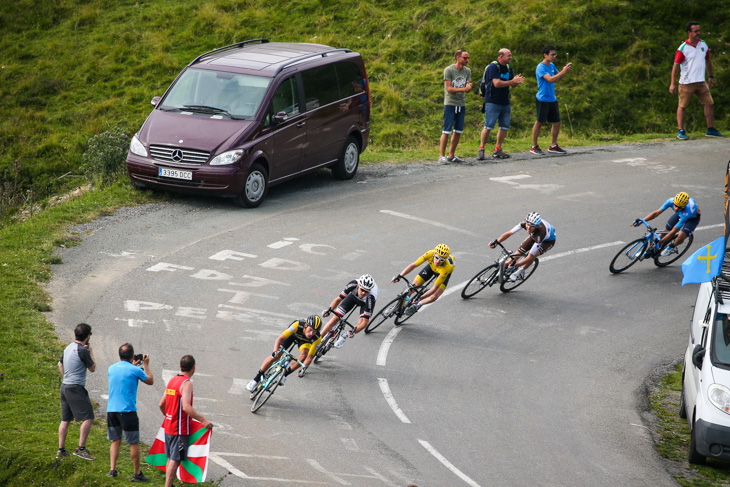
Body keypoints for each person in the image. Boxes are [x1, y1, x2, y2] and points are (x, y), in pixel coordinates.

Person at [158, 355, 212, 487]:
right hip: (179, 428)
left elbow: (161, 404)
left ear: (180, 366)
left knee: (171, 457)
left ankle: (169, 484)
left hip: (169, 426)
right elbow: (186, 407)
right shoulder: (186, 384)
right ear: (193, 367)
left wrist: (168, 416)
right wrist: (203, 420)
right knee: (175, 459)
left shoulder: (172, 380)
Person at [106, 343, 154, 481]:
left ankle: (112, 470)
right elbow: (150, 381)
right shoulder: (135, 370)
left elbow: (123, 373)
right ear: (133, 355)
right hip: (127, 411)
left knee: (115, 440)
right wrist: (146, 365)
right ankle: (137, 473)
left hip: (112, 410)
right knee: (133, 442)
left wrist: (132, 364)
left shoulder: (111, 368)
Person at [670, 22, 724, 139]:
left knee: (709, 103)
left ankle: (710, 129)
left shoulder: (703, 44)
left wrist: (710, 76)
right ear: (689, 33)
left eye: (699, 31)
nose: (698, 33)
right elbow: (675, 66)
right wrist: (672, 84)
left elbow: (708, 60)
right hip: (686, 83)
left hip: (701, 81)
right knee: (682, 106)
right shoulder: (683, 48)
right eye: (696, 31)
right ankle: (681, 130)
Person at [245, 315, 322, 392]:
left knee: (304, 356)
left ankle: (284, 375)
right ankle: (255, 379)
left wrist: (303, 369)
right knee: (276, 356)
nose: (311, 333)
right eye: (310, 330)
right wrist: (275, 351)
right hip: (293, 335)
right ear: (306, 325)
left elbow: (309, 357)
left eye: (314, 331)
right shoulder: (297, 324)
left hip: (305, 342)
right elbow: (280, 338)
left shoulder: (317, 338)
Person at [57, 323, 96, 460]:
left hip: (65, 386)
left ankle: (61, 450)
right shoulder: (83, 351)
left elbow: (60, 364)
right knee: (89, 417)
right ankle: (81, 449)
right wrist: (90, 351)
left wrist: (66, 377)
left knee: (65, 419)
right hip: (76, 387)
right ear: (87, 336)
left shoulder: (68, 347)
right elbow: (92, 368)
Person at [477, 48, 525, 160]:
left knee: (504, 127)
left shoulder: (509, 68)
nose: (511, 57)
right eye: (508, 55)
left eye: (511, 55)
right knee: (488, 126)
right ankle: (481, 149)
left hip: (505, 101)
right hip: (492, 101)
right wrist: (512, 82)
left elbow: (512, 85)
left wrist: (517, 81)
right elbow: (496, 83)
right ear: (500, 56)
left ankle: (498, 149)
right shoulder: (493, 67)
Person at [489, 213, 556, 281]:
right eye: (528, 224)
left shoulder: (540, 234)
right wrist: (497, 242)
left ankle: (520, 272)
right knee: (519, 252)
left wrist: (516, 266)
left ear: (537, 226)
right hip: (534, 236)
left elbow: (530, 256)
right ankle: (504, 269)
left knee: (532, 255)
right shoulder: (524, 223)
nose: (529, 227)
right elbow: (509, 233)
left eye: (532, 226)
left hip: (547, 242)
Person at [530, 46, 572, 155]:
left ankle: (553, 145)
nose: (554, 57)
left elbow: (557, 76)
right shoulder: (541, 67)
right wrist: (563, 71)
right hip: (543, 98)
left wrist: (565, 71)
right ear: (545, 55)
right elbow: (550, 79)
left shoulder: (552, 65)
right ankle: (534, 146)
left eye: (555, 54)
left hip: (552, 98)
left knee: (557, 122)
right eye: (552, 54)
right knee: (539, 122)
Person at [393, 244, 455, 315]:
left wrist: (419, 299)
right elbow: (413, 265)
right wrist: (399, 276)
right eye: (437, 257)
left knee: (435, 296)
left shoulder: (447, 268)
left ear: (445, 259)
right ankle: (397, 306)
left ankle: (416, 305)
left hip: (443, 273)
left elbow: (434, 288)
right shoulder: (430, 253)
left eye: (442, 260)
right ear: (434, 254)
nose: (438, 261)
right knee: (412, 287)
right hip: (431, 268)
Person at [634, 191, 700, 256]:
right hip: (680, 214)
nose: (676, 209)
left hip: (692, 219)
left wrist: (660, 242)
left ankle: (672, 247)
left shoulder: (688, 212)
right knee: (664, 232)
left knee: (681, 236)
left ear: (684, 206)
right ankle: (649, 251)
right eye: (675, 206)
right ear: (674, 202)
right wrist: (641, 221)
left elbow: (673, 232)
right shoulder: (670, 201)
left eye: (679, 207)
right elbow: (656, 213)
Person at [321, 274, 378, 349]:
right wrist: (329, 311)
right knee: (334, 319)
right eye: (362, 290)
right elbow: (338, 299)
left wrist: (346, 335)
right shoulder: (353, 285)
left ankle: (343, 336)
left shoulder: (371, 298)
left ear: (369, 291)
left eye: (366, 291)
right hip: (353, 297)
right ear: (359, 285)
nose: (363, 293)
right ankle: (317, 339)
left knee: (360, 322)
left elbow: (364, 323)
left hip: (365, 303)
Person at [439, 49, 473, 163]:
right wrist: (464, 89)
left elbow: (467, 87)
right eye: (465, 58)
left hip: (461, 103)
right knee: (446, 130)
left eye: (468, 58)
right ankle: (441, 156)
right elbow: (449, 88)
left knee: (458, 130)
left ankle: (451, 155)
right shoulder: (449, 70)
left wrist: (468, 88)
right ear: (458, 58)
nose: (467, 60)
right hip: (450, 103)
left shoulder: (467, 71)